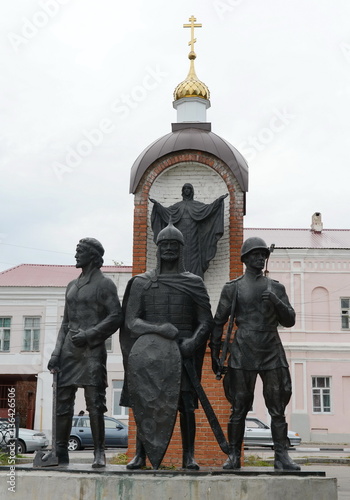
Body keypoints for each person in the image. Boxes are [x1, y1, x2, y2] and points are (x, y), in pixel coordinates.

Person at [120, 221, 213, 470]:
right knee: (144, 402)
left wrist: (193, 343)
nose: (169, 248)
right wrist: (158, 329)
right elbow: (131, 322)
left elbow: (206, 321)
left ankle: (189, 456)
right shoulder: (142, 282)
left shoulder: (193, 282)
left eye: (174, 244)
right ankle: (140, 455)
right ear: (158, 248)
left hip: (183, 354)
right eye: (164, 244)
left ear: (181, 249)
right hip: (149, 357)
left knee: (186, 406)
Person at [210, 237, 300, 471]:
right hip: (243, 349)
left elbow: (289, 320)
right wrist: (215, 355)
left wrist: (276, 301)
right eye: (255, 254)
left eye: (262, 254)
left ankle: (281, 456)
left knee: (277, 406)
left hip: (271, 348)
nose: (260, 258)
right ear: (246, 258)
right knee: (239, 407)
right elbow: (218, 322)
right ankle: (234, 456)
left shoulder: (276, 287)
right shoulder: (233, 287)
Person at [47, 238, 123, 468]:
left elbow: (116, 316)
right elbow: (65, 322)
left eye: (80, 251)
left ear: (93, 255)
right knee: (62, 401)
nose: (76, 255)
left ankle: (99, 452)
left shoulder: (105, 284)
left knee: (94, 402)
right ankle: (60, 452)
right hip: (69, 351)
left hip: (92, 350)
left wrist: (90, 335)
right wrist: (56, 352)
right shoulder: (72, 285)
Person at [150, 183, 228, 278]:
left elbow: (209, 209)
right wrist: (157, 205)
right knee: (179, 255)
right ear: (182, 191)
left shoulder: (197, 205)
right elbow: (166, 212)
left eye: (189, 189)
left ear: (192, 191)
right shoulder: (177, 206)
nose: (187, 190)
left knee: (194, 259)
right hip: (180, 237)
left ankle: (195, 279)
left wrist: (219, 201)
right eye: (185, 189)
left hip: (193, 238)